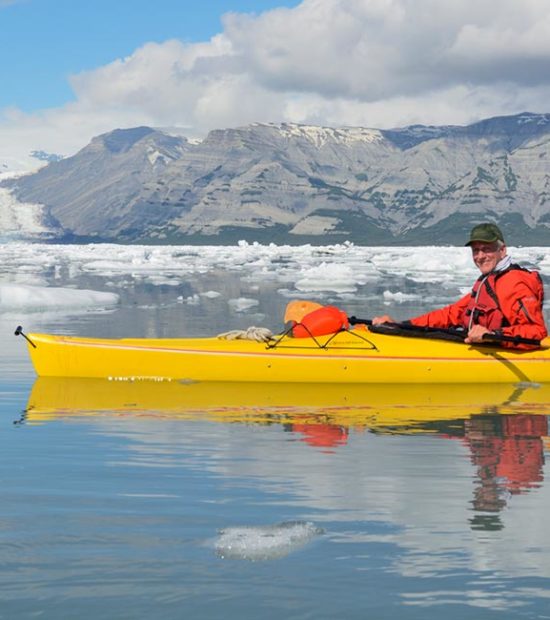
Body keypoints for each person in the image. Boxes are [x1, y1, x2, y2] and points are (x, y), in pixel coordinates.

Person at [373, 223, 547, 348]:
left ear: (502, 251)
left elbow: (536, 331)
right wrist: (401, 325)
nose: (480, 256)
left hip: (497, 349)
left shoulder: (513, 282)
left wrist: (493, 336)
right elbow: (452, 314)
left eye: (486, 249)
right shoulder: (489, 280)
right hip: (480, 346)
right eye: (475, 251)